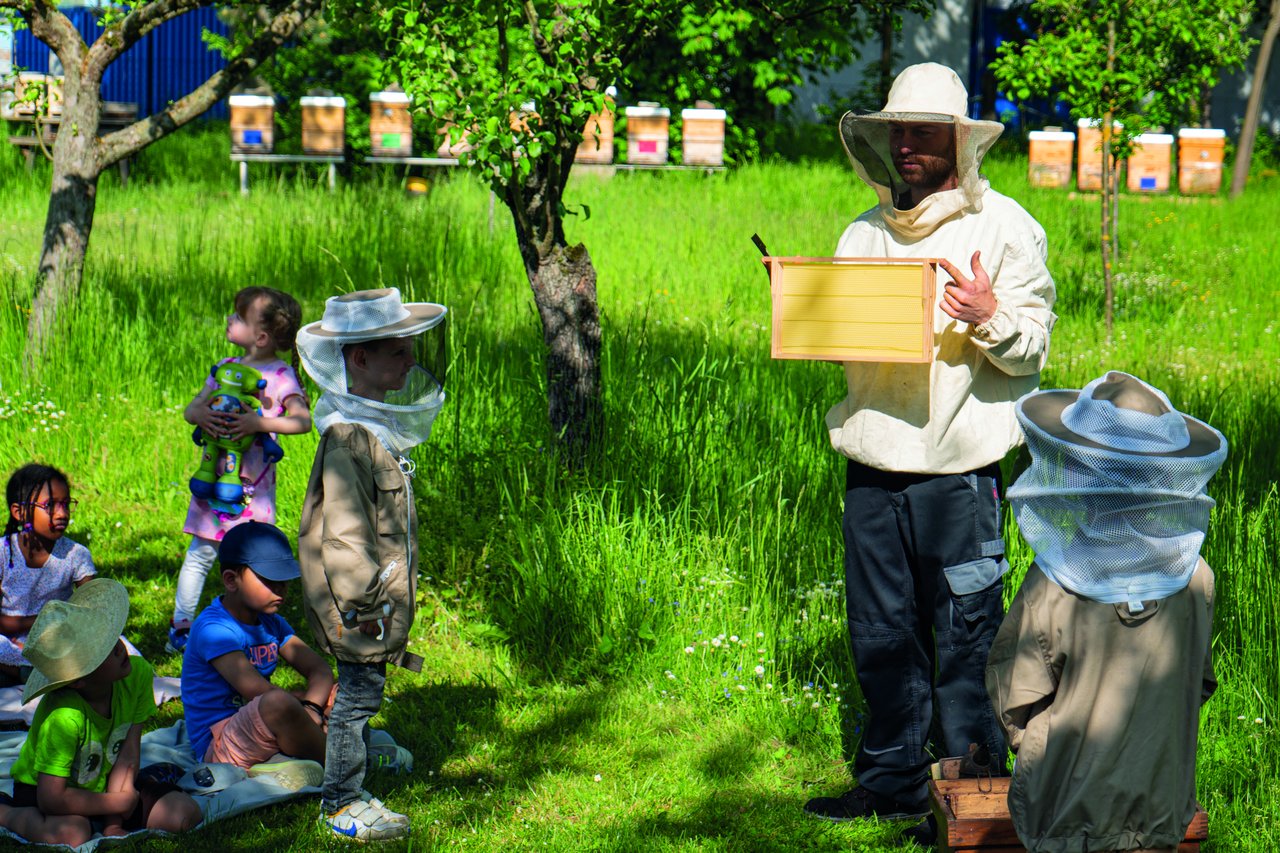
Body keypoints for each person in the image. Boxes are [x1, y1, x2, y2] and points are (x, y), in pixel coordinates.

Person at [803, 62, 1056, 822]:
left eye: (923, 132)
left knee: (965, 636)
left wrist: (987, 313)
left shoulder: (1006, 226)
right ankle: (890, 784)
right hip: (873, 463)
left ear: (957, 142)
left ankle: (969, 800)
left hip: (960, 472)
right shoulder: (863, 232)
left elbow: (1033, 348)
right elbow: (843, 344)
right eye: (896, 132)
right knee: (880, 632)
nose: (907, 146)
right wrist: (806, 313)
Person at [987, 371, 1224, 853]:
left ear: (1081, 471)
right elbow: (1197, 683)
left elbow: (1014, 696)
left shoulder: (1054, 580)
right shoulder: (1197, 577)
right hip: (1162, 809)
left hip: (1064, 816)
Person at [296, 287, 447, 842]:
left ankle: (353, 767)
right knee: (357, 694)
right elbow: (342, 536)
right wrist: (365, 604)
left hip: (372, 600)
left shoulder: (367, 430)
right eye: (398, 353)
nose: (411, 362)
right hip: (359, 604)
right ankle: (340, 800)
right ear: (359, 359)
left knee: (366, 687)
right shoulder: (348, 439)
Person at [0, 579, 202, 846]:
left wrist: (114, 821)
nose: (119, 646)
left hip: (108, 781)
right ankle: (7, 812)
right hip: (46, 792)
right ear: (77, 680)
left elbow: (128, 751)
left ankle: (113, 810)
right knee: (73, 833)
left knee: (183, 815)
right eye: (101, 650)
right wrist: (116, 802)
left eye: (111, 635)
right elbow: (51, 798)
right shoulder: (64, 716)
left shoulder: (137, 674)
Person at [168, 286, 312, 654]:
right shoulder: (225, 369)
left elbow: (302, 421)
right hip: (213, 485)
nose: (230, 320)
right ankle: (182, 628)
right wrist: (199, 414)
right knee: (200, 554)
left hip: (252, 493)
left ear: (261, 336)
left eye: (238, 317)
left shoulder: (280, 376)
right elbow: (192, 409)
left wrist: (259, 424)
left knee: (252, 561)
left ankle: (251, 629)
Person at [180, 521, 333, 791]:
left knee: (341, 690)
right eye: (269, 580)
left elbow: (319, 670)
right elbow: (256, 690)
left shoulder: (270, 622)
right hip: (221, 747)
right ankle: (340, 761)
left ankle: (289, 758)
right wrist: (307, 713)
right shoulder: (214, 629)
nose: (281, 589)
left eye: (284, 580)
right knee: (278, 702)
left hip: (260, 725)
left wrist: (311, 709)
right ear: (231, 580)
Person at [1, 464, 96, 684]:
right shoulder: (3, 554)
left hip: (59, 639)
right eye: (50, 505)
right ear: (19, 512)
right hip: (10, 642)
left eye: (66, 504)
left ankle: (31, 676)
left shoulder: (76, 555)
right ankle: (36, 676)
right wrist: (41, 620)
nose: (62, 513)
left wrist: (53, 628)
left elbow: (92, 610)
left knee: (111, 645)